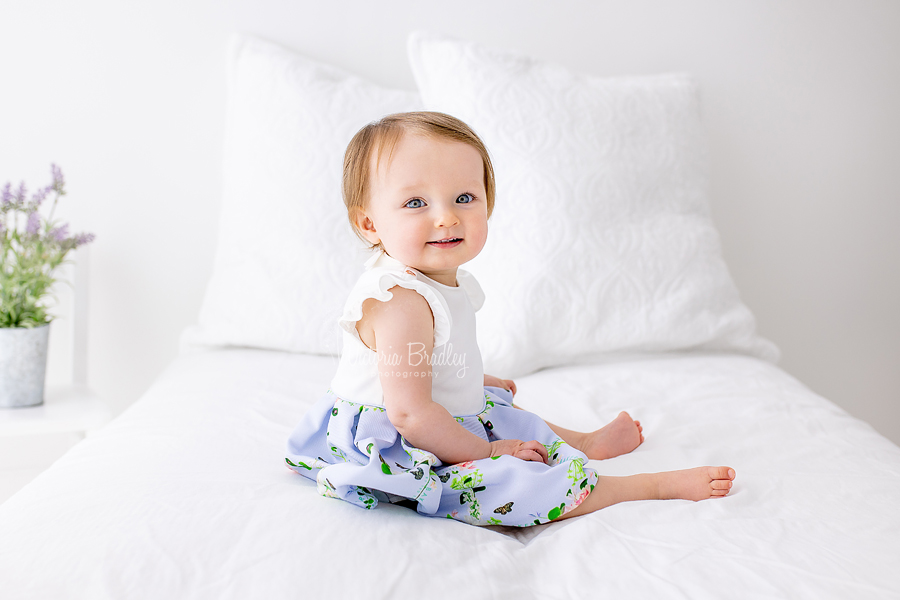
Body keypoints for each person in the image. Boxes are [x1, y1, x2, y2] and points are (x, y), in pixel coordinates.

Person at [285, 111, 735, 526]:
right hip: (395, 438)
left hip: (425, 410)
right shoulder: (399, 299)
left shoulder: (437, 280)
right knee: (505, 484)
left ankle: (583, 443)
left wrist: (473, 378)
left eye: (464, 197)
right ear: (369, 224)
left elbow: (429, 363)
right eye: (416, 203)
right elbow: (408, 412)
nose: (445, 217)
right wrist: (488, 452)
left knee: (498, 408)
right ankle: (645, 487)